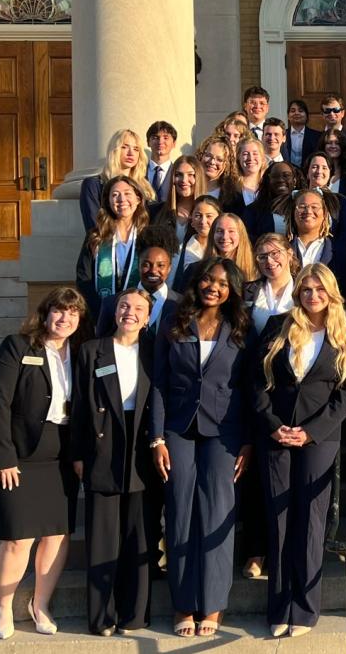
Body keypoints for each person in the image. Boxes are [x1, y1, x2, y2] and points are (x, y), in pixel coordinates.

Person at [253, 264, 346, 638]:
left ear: (331, 293)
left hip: (319, 439)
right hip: (278, 436)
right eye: (306, 289)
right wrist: (272, 424)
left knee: (311, 523)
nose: (312, 295)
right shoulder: (276, 327)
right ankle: (279, 606)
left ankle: (304, 608)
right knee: (280, 520)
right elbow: (256, 384)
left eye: (319, 289)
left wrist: (311, 432)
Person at [0, 287, 87, 639]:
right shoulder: (18, 346)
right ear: (45, 312)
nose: (65, 318)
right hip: (18, 455)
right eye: (58, 310)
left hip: (60, 457)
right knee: (17, 539)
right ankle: (3, 607)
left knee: (56, 535)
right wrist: (3, 457)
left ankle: (39, 605)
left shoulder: (81, 353)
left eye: (72, 313)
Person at [150, 257, 252, 637]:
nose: (214, 287)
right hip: (178, 429)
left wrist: (247, 440)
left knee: (217, 515)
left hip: (224, 432)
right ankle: (183, 603)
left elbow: (247, 386)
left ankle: (212, 604)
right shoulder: (174, 318)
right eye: (208, 280)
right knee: (179, 513)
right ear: (197, 282)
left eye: (223, 284)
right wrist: (157, 436)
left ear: (232, 290)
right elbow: (159, 380)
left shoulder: (240, 325)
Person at [71, 287, 157, 635]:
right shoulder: (93, 350)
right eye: (124, 305)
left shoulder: (154, 351)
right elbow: (78, 405)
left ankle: (135, 614)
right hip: (102, 448)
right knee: (102, 536)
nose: (130, 312)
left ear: (148, 317)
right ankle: (101, 616)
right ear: (114, 310)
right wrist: (77, 453)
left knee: (140, 535)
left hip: (142, 447)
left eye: (138, 308)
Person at [238, 234, 302, 581]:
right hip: (255, 391)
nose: (268, 260)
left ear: (290, 255)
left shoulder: (305, 288)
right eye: (261, 255)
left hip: (295, 396)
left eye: (275, 253)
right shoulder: (249, 293)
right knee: (256, 479)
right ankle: (256, 550)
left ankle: (291, 547)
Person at [76, 176, 149, 323]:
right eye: (115, 195)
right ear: (108, 202)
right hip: (101, 316)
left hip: (137, 319)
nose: (122, 199)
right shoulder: (97, 236)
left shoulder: (149, 235)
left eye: (127, 193)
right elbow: (84, 278)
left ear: (138, 199)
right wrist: (101, 310)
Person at [96, 234, 180, 339]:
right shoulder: (111, 303)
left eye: (160, 265)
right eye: (146, 265)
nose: (153, 271)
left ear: (169, 268)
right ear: (138, 265)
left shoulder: (182, 305)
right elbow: (101, 347)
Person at [81, 129, 154, 232]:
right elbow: (94, 227)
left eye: (136, 149)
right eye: (124, 147)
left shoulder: (145, 187)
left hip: (140, 245)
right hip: (106, 245)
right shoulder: (93, 185)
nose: (131, 153)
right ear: (114, 150)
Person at [288, 186, 346, 289]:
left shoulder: (340, 252)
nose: (308, 211)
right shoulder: (283, 249)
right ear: (293, 213)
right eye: (302, 206)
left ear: (325, 213)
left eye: (314, 207)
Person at [301, 151, 346, 255]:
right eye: (314, 167)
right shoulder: (297, 199)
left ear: (330, 173)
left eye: (324, 168)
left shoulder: (341, 202)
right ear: (307, 172)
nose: (319, 171)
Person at [171, 196, 220, 293]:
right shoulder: (179, 253)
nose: (203, 221)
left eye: (209, 216)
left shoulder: (226, 250)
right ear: (191, 220)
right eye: (198, 216)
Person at [242, 162, 302, 242]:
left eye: (286, 175)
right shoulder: (253, 211)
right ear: (268, 181)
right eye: (275, 176)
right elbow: (247, 239)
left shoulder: (302, 208)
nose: (280, 180)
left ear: (294, 181)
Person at [150, 155, 200, 248]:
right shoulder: (156, 212)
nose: (184, 180)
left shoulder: (208, 214)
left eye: (190, 175)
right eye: (178, 175)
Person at [222, 137, 266, 218]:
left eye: (255, 153)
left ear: (262, 158)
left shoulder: (270, 186)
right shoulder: (229, 189)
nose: (250, 158)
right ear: (238, 158)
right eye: (245, 154)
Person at [146, 121, 178, 202]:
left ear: (174, 143)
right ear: (148, 142)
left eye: (166, 138)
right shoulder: (138, 172)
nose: (160, 142)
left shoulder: (177, 172)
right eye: (155, 138)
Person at [286, 100, 321, 167]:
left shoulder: (317, 136)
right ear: (288, 116)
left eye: (301, 111)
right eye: (293, 111)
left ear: (307, 115)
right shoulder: (282, 134)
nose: (296, 113)